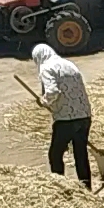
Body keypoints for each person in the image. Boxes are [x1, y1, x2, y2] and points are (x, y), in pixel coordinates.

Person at [32, 43, 93, 190]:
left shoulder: (47, 68)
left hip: (66, 119)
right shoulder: (69, 64)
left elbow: (53, 92)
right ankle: (86, 189)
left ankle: (59, 188)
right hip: (84, 115)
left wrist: (44, 102)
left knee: (55, 154)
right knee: (80, 154)